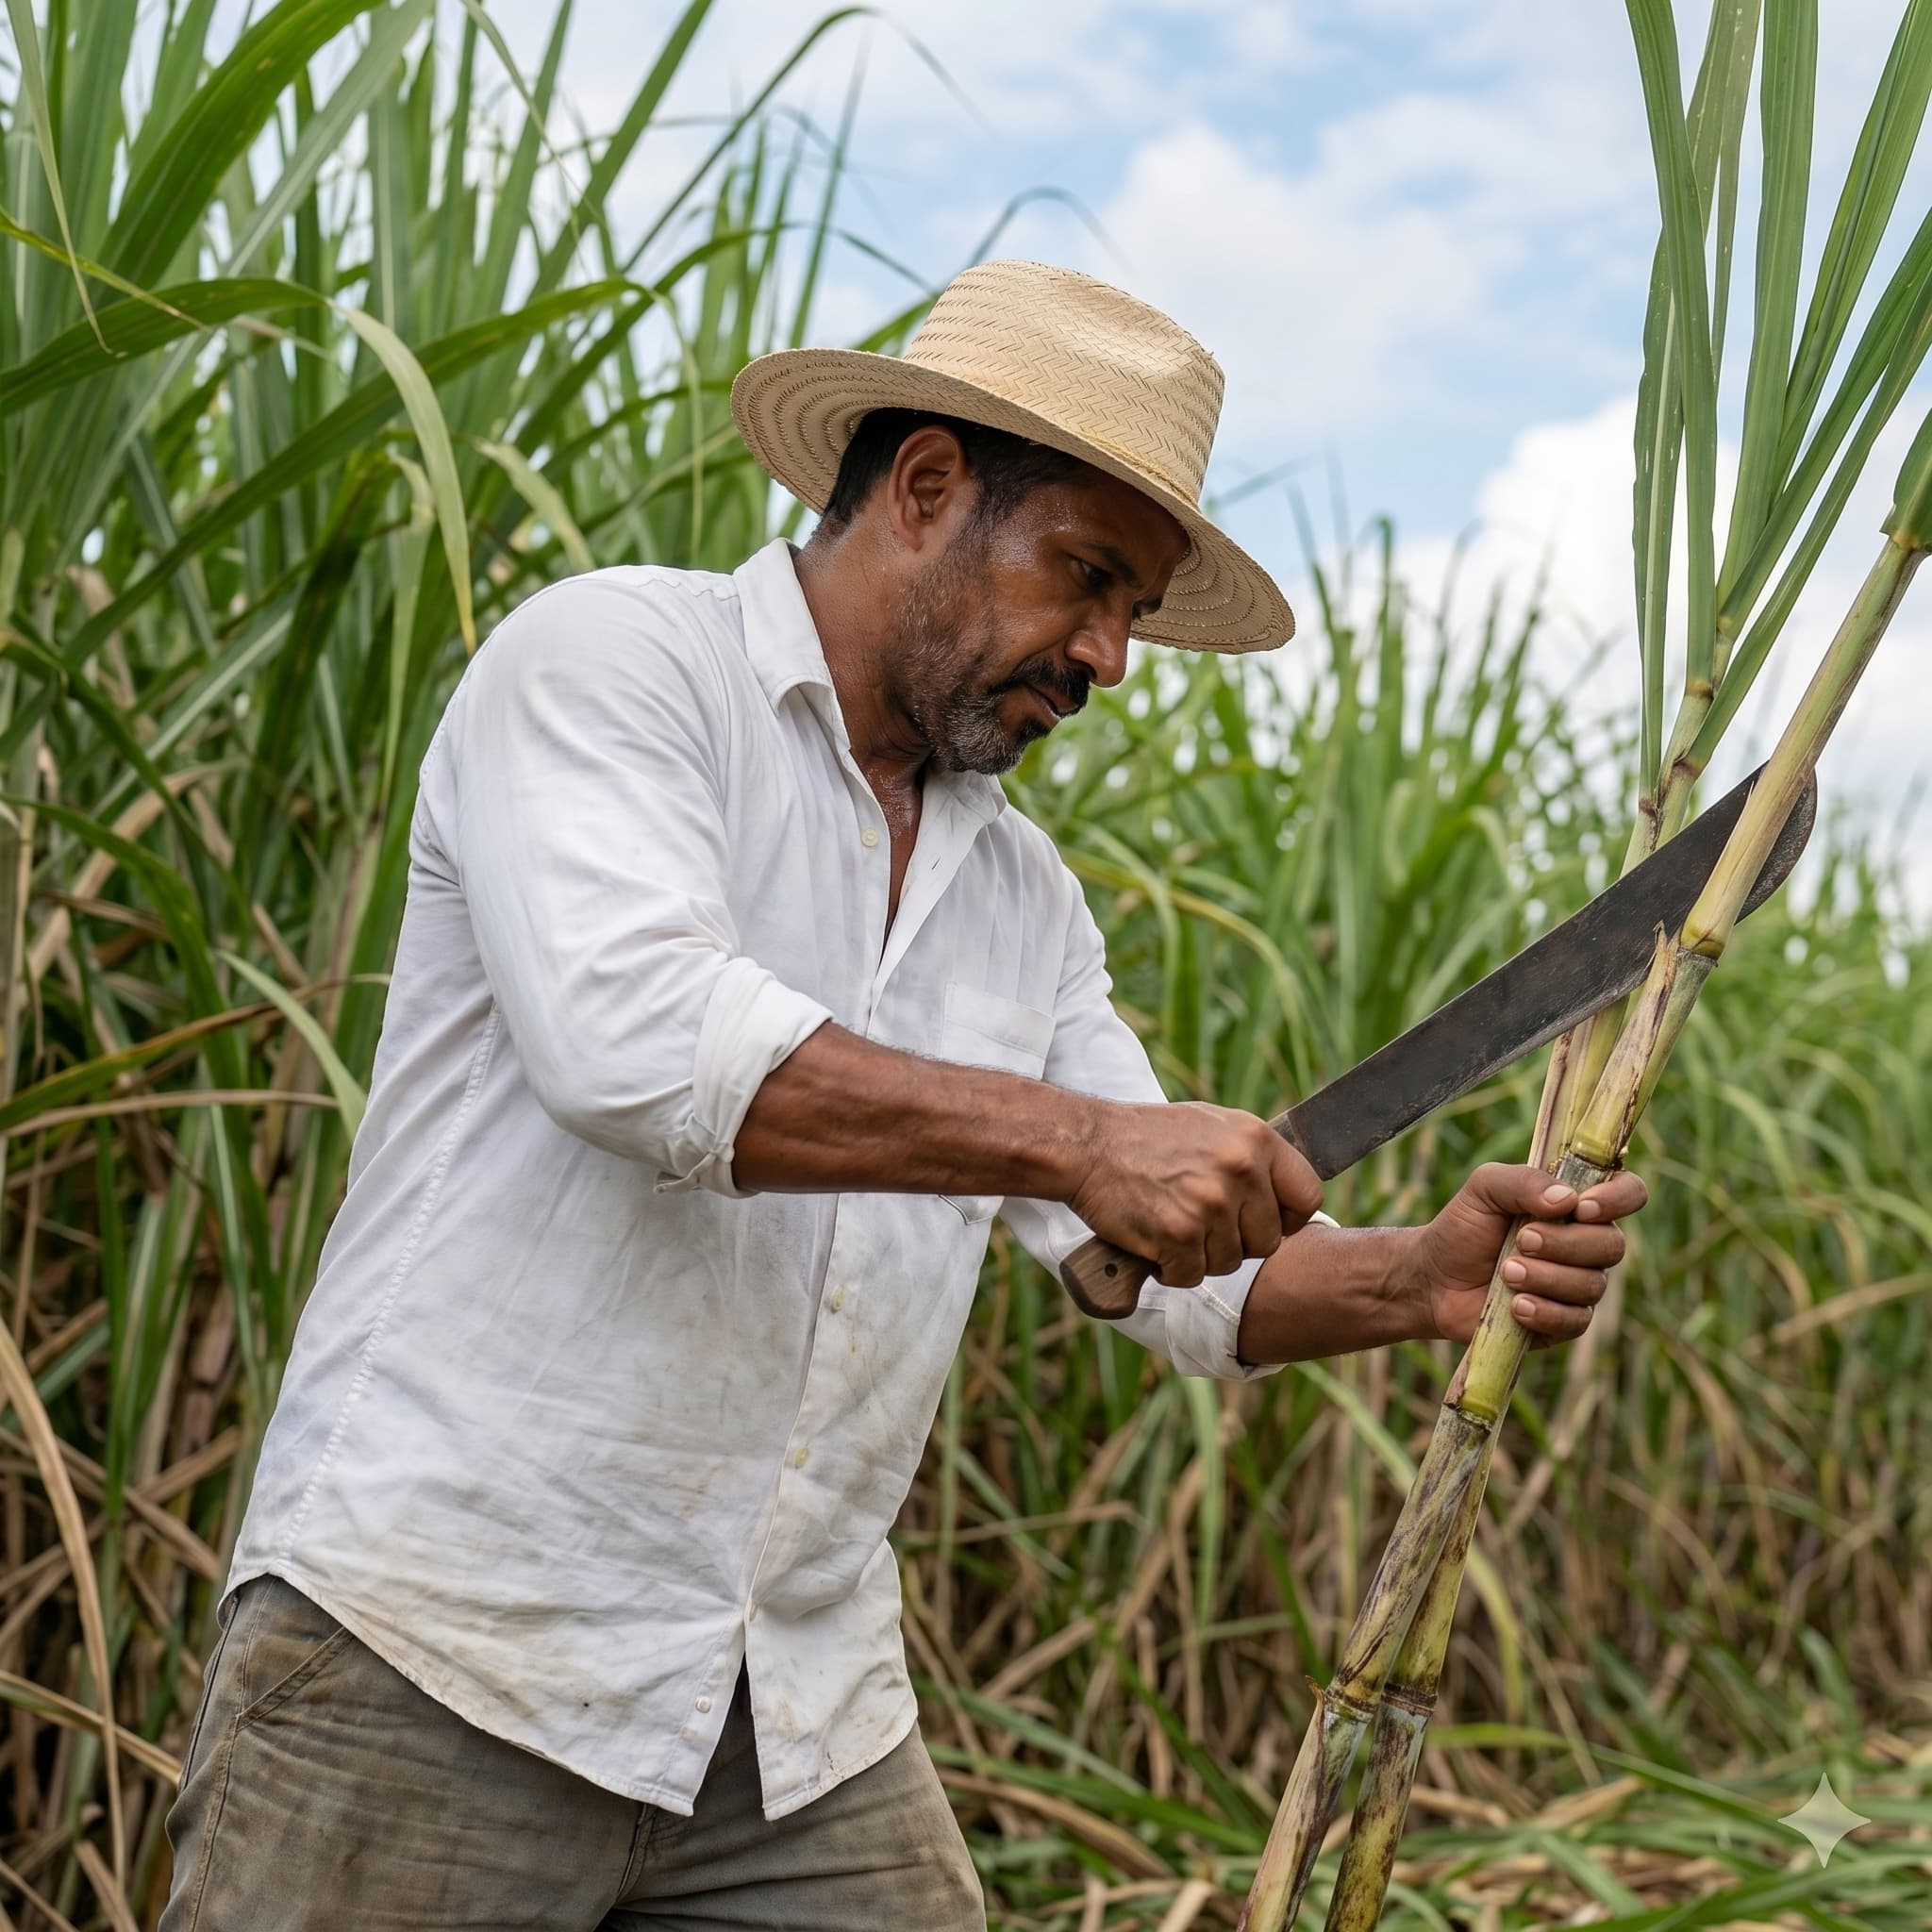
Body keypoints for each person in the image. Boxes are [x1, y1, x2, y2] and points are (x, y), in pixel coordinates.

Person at [159, 261, 1644, 1931]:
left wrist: (1413, 1278)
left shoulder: (1024, 905)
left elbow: (1172, 1267)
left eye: (1136, 611)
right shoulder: (615, 667)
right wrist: (1083, 1143)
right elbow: (635, 1040)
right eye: (1086, 578)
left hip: (791, 1724)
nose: (1108, 655)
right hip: (439, 1655)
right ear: (927, 485)